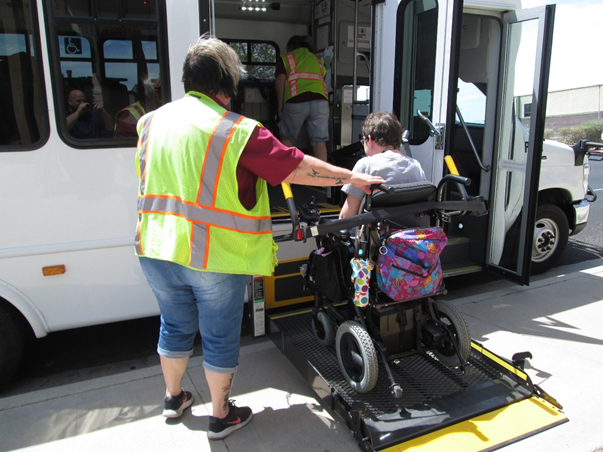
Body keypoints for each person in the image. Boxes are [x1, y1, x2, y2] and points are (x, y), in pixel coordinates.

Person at [134, 35, 385, 441]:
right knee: (217, 336)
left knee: (174, 325)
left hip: (156, 249)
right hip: (213, 256)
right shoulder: (235, 130)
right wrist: (351, 176)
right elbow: (296, 167)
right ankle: (220, 415)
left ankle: (174, 397)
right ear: (227, 86)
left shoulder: (151, 122)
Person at [339, 112, 427, 219]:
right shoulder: (416, 166)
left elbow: (346, 217)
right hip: (410, 232)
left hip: (375, 234)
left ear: (369, 139)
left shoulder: (366, 165)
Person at [276, 35, 329, 161]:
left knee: (287, 138)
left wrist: (280, 105)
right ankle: (322, 178)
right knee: (318, 142)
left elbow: (280, 80)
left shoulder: (286, 58)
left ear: (291, 47)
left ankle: (286, 177)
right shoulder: (317, 59)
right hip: (320, 102)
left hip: (296, 100)